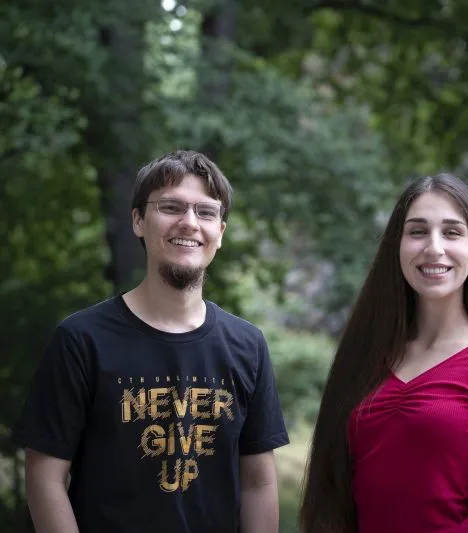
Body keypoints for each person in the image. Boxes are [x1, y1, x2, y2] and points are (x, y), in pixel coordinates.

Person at [13, 150, 289, 533]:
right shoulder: (81, 340)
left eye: (205, 212)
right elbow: (45, 478)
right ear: (138, 221)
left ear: (221, 233)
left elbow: (258, 483)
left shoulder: (248, 345)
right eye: (171, 207)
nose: (189, 222)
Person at [299, 173, 468, 533]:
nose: (434, 247)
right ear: (397, 247)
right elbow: (331, 489)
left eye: (452, 232)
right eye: (417, 231)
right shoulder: (367, 354)